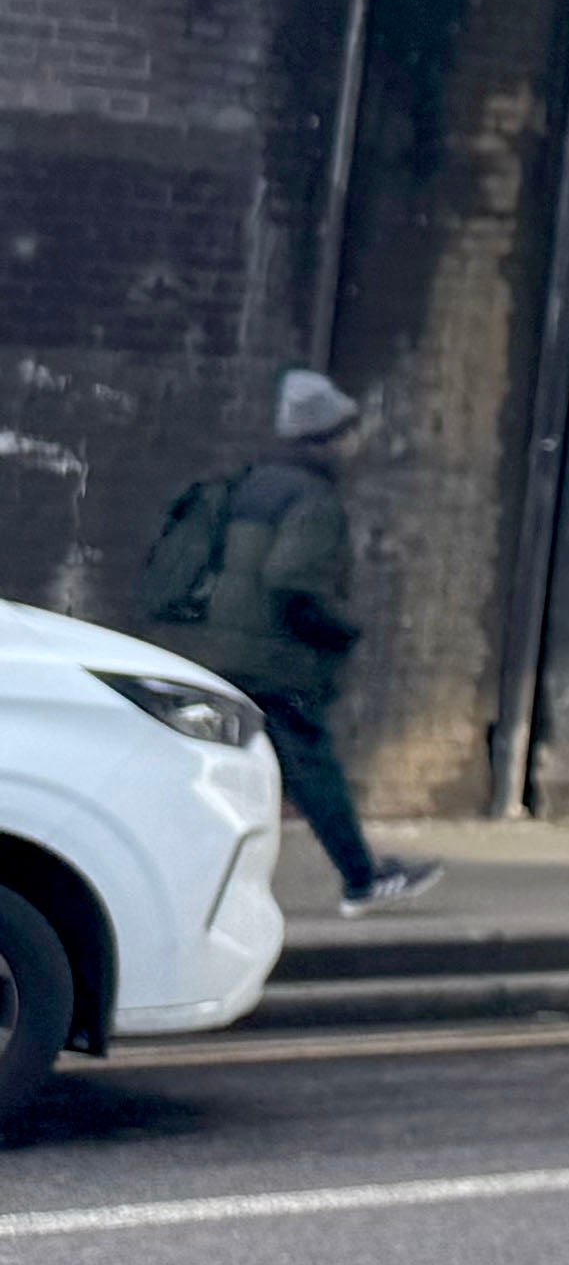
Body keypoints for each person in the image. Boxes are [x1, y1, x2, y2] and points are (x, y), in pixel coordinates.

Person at [136, 370, 433, 915]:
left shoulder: (249, 483)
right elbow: (291, 577)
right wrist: (339, 631)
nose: (356, 441)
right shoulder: (312, 496)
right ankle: (362, 880)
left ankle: (169, 887)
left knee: (211, 769)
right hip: (274, 661)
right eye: (350, 430)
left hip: (216, 653)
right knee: (311, 766)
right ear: (332, 435)